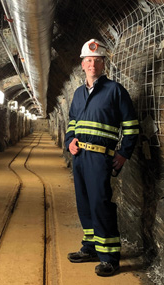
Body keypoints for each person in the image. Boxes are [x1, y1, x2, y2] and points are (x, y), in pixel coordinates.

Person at [65, 39, 139, 276]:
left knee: (100, 204)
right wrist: (70, 142)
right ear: (82, 64)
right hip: (80, 157)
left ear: (103, 64)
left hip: (100, 158)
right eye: (88, 60)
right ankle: (91, 247)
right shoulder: (77, 94)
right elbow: (72, 124)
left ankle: (110, 257)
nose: (92, 64)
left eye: (97, 61)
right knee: (84, 203)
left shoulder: (115, 90)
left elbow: (131, 126)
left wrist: (124, 153)